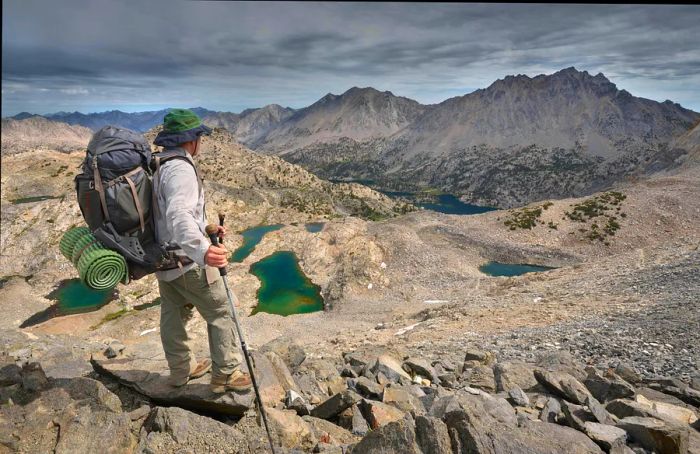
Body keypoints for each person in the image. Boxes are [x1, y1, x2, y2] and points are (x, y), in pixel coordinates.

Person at [152, 108, 252, 392]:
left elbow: (167, 214)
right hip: (186, 261)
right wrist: (203, 251)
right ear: (190, 139)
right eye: (199, 136)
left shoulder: (160, 163)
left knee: (173, 313)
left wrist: (207, 227)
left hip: (164, 261)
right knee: (223, 310)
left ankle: (180, 371)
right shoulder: (182, 169)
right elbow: (178, 216)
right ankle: (226, 375)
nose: (201, 142)